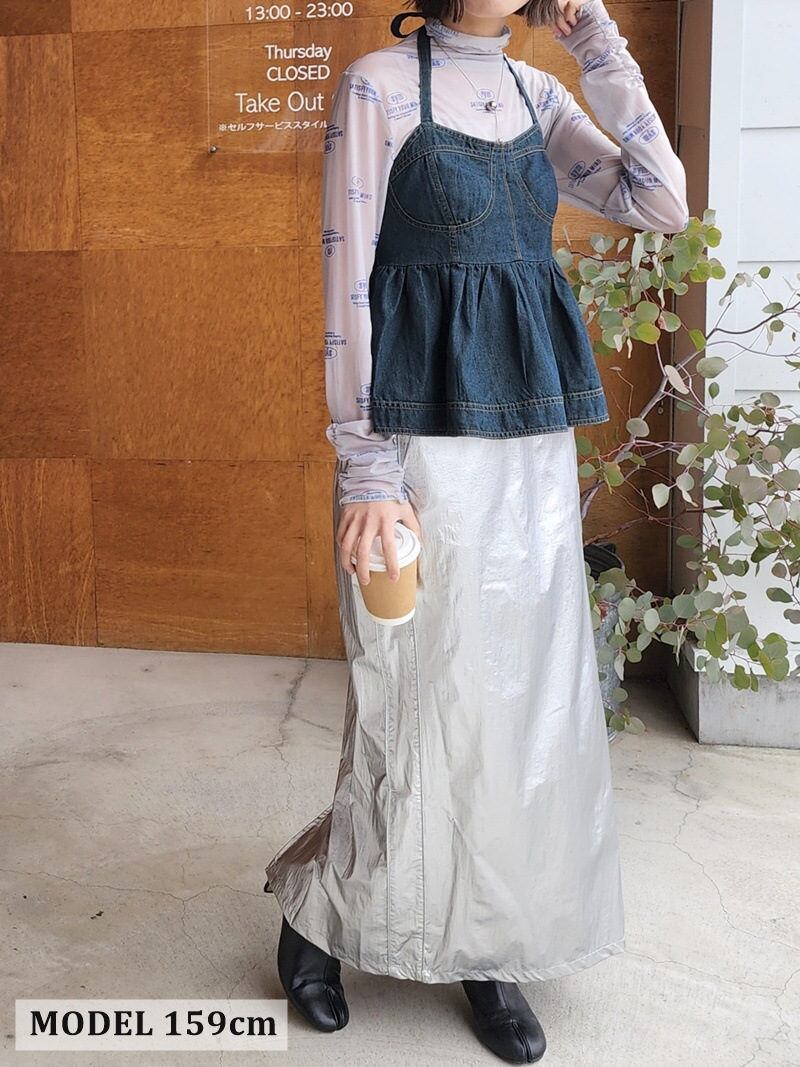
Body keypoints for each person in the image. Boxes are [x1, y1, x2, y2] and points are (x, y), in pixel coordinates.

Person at [264, 1, 689, 1062]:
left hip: (529, 443)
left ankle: (486, 944)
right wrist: (367, 465)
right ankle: (318, 915)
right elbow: (348, 281)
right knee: (408, 695)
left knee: (513, 704)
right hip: (416, 440)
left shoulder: (538, 93)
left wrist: (596, 44)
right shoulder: (376, 86)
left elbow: (658, 200)